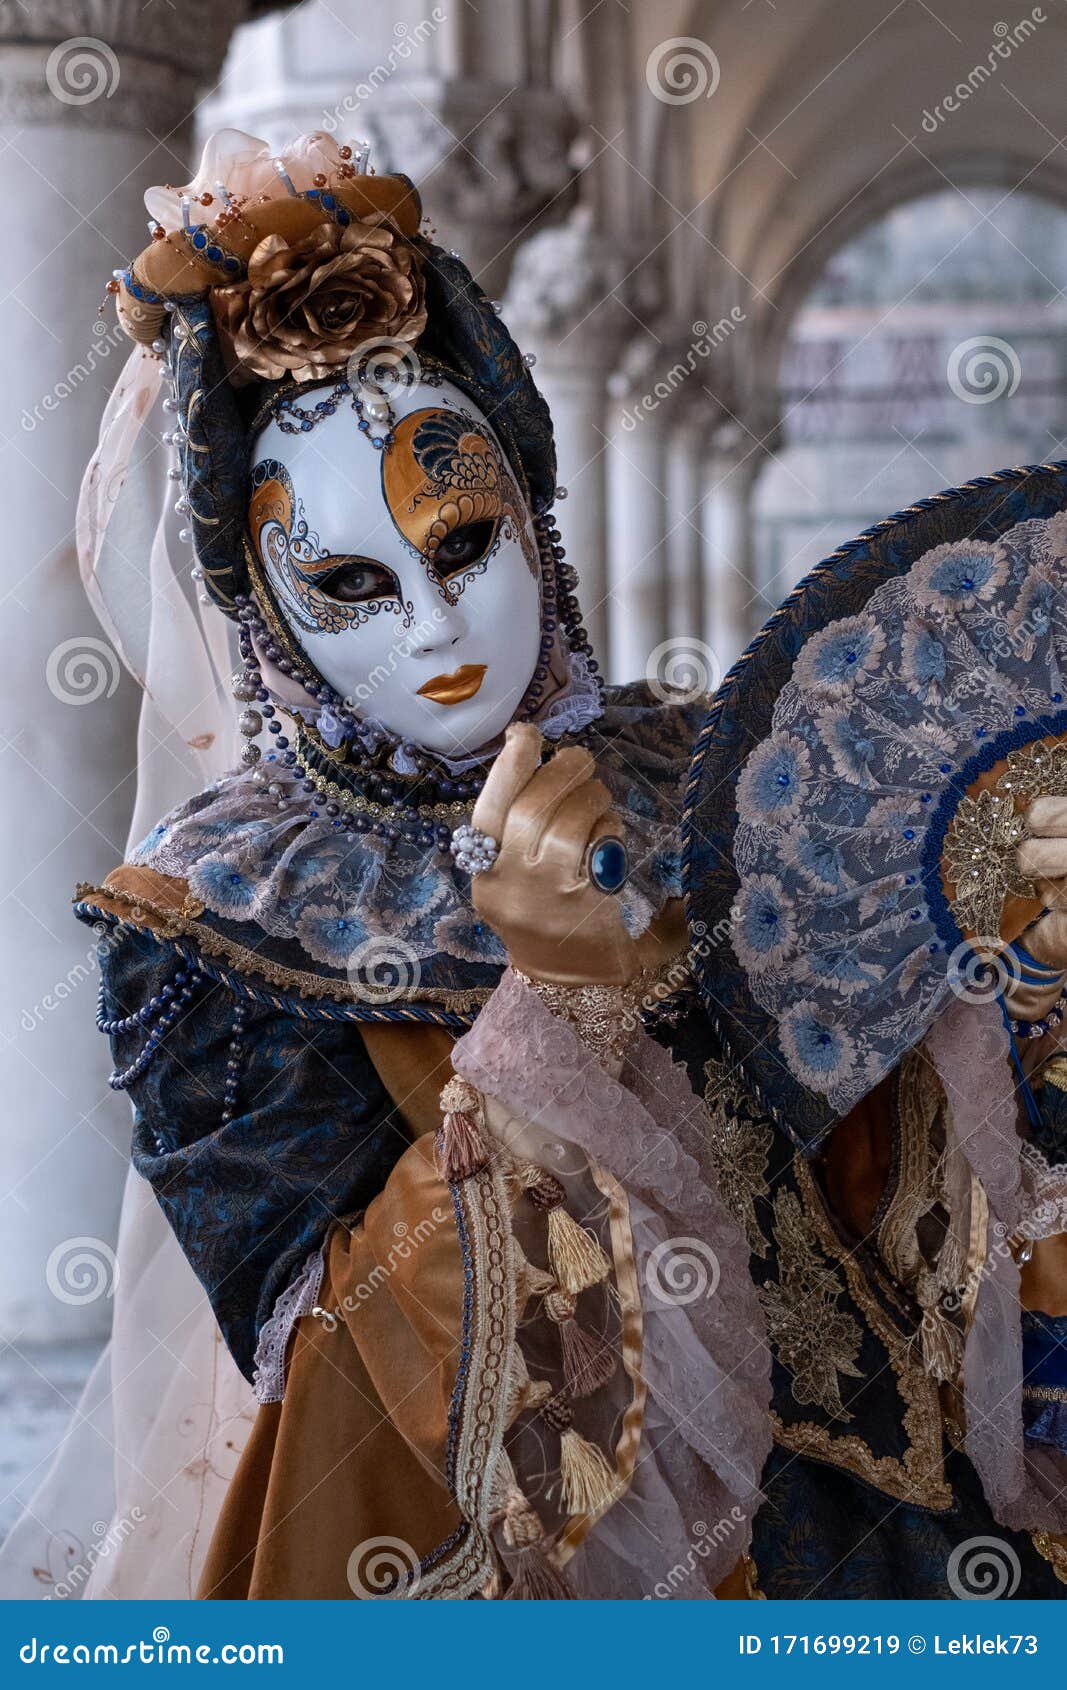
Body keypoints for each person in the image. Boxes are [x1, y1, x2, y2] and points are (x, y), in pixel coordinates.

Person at [9, 127, 1065, 1600]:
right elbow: (352, 1382)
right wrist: (554, 1015)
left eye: (466, 543)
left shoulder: (716, 772)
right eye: (350, 582)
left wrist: (1008, 942)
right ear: (258, 607)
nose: (438, 632)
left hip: (867, 1512)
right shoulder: (204, 927)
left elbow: (887, 1189)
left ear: (533, 517)